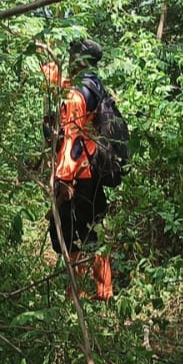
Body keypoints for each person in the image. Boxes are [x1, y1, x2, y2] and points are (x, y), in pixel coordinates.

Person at [40, 39, 113, 301]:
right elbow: (58, 83)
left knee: (73, 235)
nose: (68, 60)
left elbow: (71, 139)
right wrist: (44, 55)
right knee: (94, 229)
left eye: (71, 56)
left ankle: (77, 293)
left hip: (78, 174)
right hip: (93, 170)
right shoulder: (93, 85)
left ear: (79, 61)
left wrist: (63, 180)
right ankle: (104, 291)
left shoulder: (75, 95)